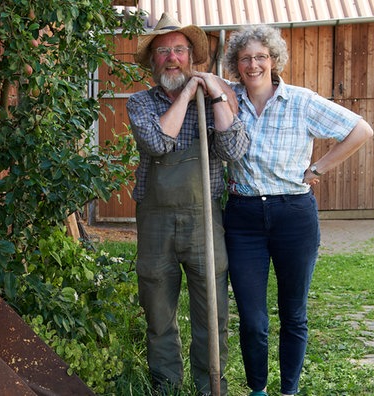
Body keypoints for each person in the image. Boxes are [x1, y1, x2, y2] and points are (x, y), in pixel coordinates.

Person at [221, 25, 374, 396]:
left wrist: (318, 168)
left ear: (274, 60)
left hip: (293, 214)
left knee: (293, 313)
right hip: (243, 218)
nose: (253, 64)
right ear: (236, 64)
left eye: (260, 56)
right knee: (253, 319)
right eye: (245, 58)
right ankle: (258, 390)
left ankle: (288, 391)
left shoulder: (302, 101)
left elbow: (361, 129)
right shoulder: (229, 101)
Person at [126, 12, 249, 396]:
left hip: (203, 218)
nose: (172, 58)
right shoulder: (140, 103)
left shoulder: (217, 98)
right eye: (163, 52)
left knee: (212, 311)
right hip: (156, 221)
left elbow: (233, 150)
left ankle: (211, 384)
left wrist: (213, 95)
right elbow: (157, 143)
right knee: (158, 309)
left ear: (192, 56)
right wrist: (183, 96)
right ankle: (166, 383)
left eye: (180, 50)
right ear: (152, 62)